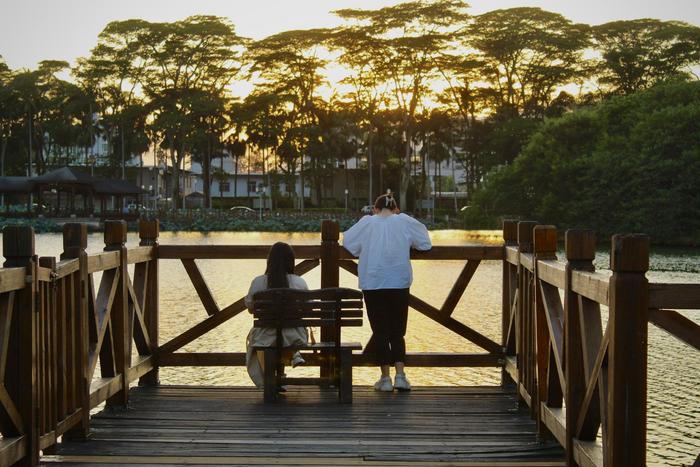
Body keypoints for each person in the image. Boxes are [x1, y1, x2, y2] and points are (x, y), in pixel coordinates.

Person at [342, 192, 432, 392]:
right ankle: (401, 376)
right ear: (395, 209)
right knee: (398, 332)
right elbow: (425, 244)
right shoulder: (404, 221)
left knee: (380, 332)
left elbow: (348, 243)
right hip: (399, 281)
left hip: (373, 282)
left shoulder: (367, 223)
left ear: (375, 209)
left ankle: (385, 379)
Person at [244, 242, 308, 388]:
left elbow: (250, 307)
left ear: (269, 260)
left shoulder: (258, 282)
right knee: (285, 333)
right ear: (291, 261)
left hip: (266, 335)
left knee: (265, 338)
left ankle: (270, 381)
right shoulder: (299, 282)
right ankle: (292, 356)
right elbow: (306, 309)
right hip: (295, 335)